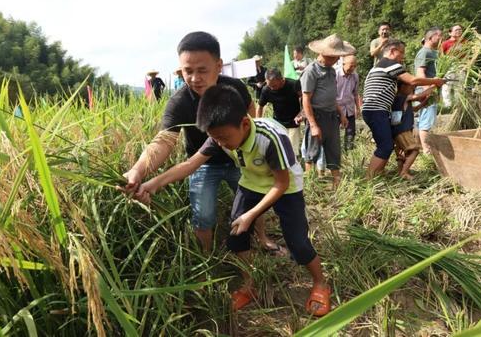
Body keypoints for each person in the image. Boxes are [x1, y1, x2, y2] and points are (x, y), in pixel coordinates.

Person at [134, 85, 331, 316]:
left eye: (224, 138)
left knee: (297, 241)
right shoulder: (219, 138)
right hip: (251, 182)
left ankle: (320, 283)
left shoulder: (271, 138)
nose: (220, 144)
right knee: (236, 237)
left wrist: (250, 215)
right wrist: (151, 184)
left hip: (285, 188)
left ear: (245, 124)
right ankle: (250, 285)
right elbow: (189, 165)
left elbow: (281, 184)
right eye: (214, 138)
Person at [123, 32, 279, 254]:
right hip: (202, 164)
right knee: (203, 214)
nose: (195, 78)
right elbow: (163, 142)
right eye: (188, 71)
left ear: (218, 66)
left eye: (202, 70)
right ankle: (207, 256)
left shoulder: (235, 88)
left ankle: (262, 239)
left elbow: (251, 115)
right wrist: (137, 171)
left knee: (254, 202)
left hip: (240, 160)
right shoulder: (179, 102)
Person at [362, 39, 445, 179]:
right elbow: (413, 80)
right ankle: (369, 178)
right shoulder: (390, 64)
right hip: (376, 110)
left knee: (386, 145)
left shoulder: (378, 66)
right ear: (392, 51)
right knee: (386, 146)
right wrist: (435, 81)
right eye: (401, 53)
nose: (402, 57)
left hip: (374, 110)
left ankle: (376, 175)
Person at [301, 34, 354, 188]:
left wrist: (341, 114)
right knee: (312, 152)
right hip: (317, 116)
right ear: (324, 53)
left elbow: (333, 97)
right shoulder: (311, 71)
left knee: (334, 150)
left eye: (338, 56)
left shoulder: (331, 70)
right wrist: (313, 125)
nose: (337, 59)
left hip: (332, 117)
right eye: (334, 56)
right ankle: (312, 186)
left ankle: (337, 185)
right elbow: (306, 99)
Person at [391, 83, 436, 180]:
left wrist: (425, 102)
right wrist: (434, 86)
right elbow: (419, 96)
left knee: (401, 153)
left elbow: (414, 109)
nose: (413, 90)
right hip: (403, 130)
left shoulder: (398, 99)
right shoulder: (402, 97)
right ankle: (404, 172)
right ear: (403, 87)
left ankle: (400, 172)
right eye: (412, 88)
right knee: (415, 150)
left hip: (396, 131)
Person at [257, 68, 303, 156]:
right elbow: (260, 106)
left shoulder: (294, 84)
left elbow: (305, 98)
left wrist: (302, 113)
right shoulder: (266, 89)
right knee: (280, 151)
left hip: (293, 122)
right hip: (277, 124)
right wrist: (258, 123)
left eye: (273, 86)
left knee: (292, 152)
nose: (271, 88)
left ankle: (293, 168)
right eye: (269, 85)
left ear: (281, 79)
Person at [414, 27, 443, 154]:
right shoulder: (424, 52)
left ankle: (418, 148)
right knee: (426, 121)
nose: (442, 38)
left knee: (422, 121)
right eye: (439, 36)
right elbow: (420, 72)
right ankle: (426, 151)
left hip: (432, 90)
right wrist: (428, 91)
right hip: (426, 92)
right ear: (431, 38)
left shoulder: (434, 52)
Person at [335, 55, 360, 151]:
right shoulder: (335, 74)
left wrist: (357, 108)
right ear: (343, 64)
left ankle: (349, 156)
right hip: (336, 108)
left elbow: (355, 93)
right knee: (334, 134)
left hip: (349, 108)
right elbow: (331, 95)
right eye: (351, 66)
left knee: (350, 134)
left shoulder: (355, 76)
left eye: (354, 66)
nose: (352, 68)